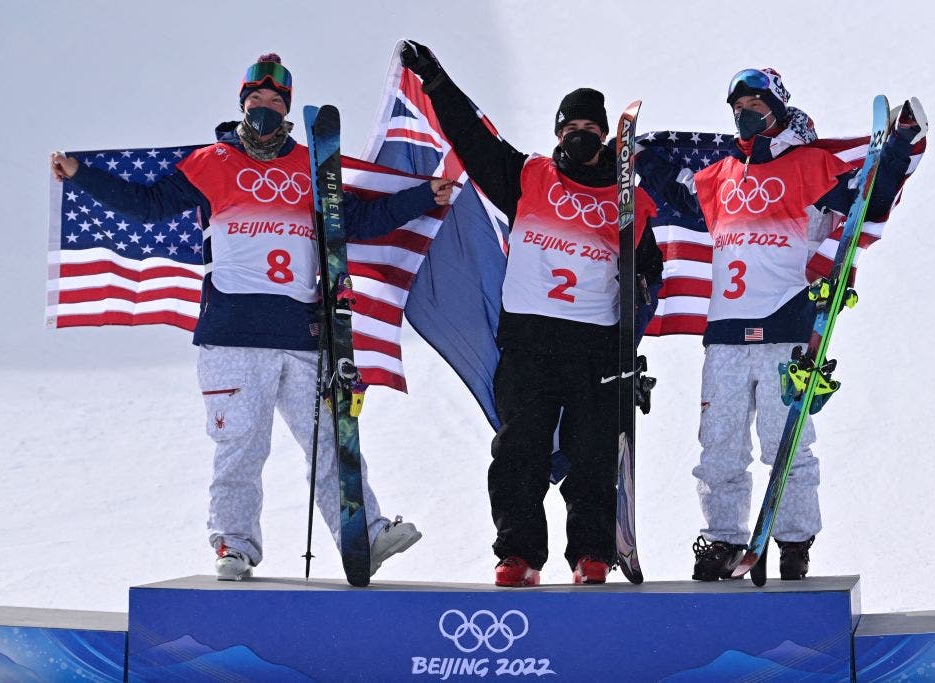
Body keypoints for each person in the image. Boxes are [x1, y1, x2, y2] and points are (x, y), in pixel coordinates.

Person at [50, 54, 456, 581]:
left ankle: (367, 534)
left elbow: (355, 221)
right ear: (242, 103)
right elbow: (147, 205)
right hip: (232, 337)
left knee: (332, 442)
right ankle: (234, 546)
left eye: (274, 102)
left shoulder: (314, 165)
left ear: (287, 109)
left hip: (302, 334)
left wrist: (425, 195)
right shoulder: (210, 161)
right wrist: (81, 174)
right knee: (241, 447)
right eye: (256, 100)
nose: (264, 108)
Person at [401, 41, 663, 586]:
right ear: (556, 134)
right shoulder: (529, 175)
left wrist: (638, 304)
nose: (579, 138)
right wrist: (437, 82)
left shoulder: (627, 201)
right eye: (569, 130)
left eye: (590, 131)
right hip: (528, 341)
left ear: (606, 139)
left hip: (596, 345)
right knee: (519, 451)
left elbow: (650, 270)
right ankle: (519, 554)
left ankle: (592, 552)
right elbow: (475, 141)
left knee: (591, 454)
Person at [664, 68, 923, 581]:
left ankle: (794, 538)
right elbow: (667, 199)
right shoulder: (717, 175)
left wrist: (895, 149)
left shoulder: (812, 164)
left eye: (757, 104)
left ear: (778, 106)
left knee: (787, 443)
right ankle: (721, 539)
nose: (745, 113)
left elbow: (864, 204)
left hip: (788, 324)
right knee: (718, 445)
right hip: (724, 332)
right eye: (737, 105)